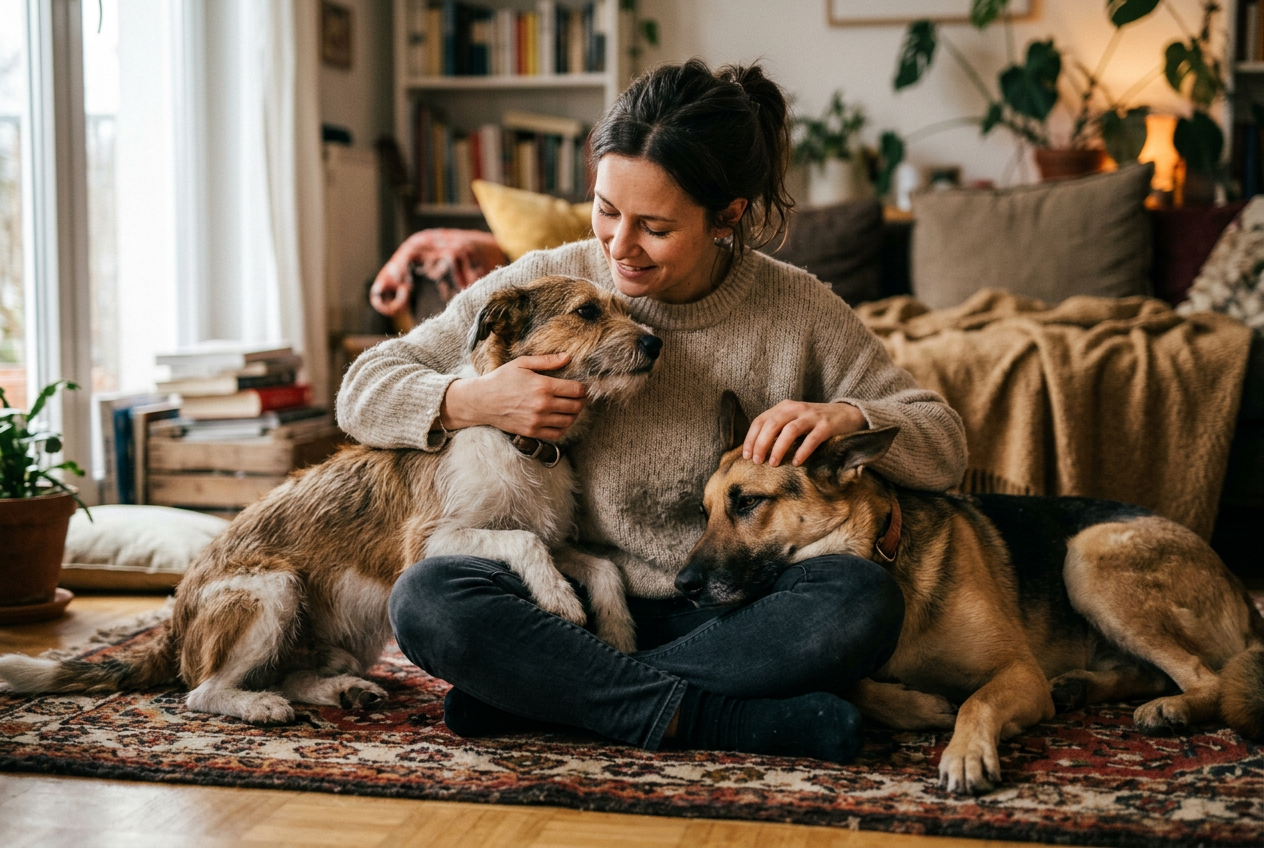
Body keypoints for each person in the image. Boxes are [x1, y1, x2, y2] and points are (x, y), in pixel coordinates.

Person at [337, 59, 967, 763]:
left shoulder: (800, 309)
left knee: (861, 601)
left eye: (655, 227)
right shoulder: (553, 279)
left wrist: (847, 415)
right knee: (426, 599)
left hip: (738, 613)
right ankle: (717, 719)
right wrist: (472, 398)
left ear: (727, 215)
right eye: (606, 210)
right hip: (574, 606)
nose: (618, 247)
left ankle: (556, 698)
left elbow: (943, 441)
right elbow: (362, 388)